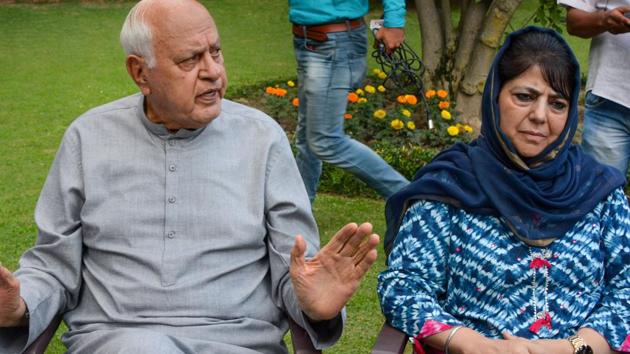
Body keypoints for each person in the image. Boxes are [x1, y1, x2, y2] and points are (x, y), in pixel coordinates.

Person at [0, 0, 381, 353]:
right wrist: (21, 306)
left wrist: (315, 306)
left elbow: (295, 271)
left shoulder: (261, 138)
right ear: (140, 72)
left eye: (215, 52)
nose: (213, 72)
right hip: (120, 340)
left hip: (240, 343)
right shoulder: (88, 138)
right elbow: (53, 266)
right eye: (190, 60)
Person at [378, 26, 630, 354]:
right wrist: (470, 342)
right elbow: (404, 285)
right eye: (524, 97)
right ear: (495, 96)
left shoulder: (599, 191)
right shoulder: (451, 187)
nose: (540, 116)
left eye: (557, 104)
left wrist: (570, 348)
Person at [288, 0, 409, 202]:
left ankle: (415, 199)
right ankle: (296, 215)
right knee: (306, 138)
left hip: (333, 43)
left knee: (325, 141)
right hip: (307, 39)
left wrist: (395, 21)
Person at [557, 0, 630, 173]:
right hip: (610, 98)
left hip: (609, 99)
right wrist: (604, 20)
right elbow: (574, 22)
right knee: (600, 194)